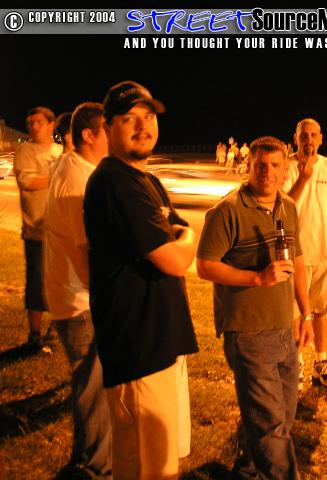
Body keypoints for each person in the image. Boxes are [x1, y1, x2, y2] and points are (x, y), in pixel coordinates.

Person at [83, 80, 199, 478]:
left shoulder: (145, 181)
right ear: (107, 126)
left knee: (138, 464)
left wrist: (182, 236)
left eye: (148, 116)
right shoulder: (115, 181)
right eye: (129, 118)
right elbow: (175, 259)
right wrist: (187, 237)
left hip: (152, 345)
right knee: (154, 467)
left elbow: (178, 234)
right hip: (138, 349)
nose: (142, 126)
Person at [196, 136, 314, 480]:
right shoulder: (227, 211)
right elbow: (205, 266)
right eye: (260, 165)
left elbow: (299, 262)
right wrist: (256, 278)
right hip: (247, 332)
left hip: (284, 329)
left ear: (286, 169)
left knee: (282, 416)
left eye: (275, 165)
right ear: (248, 166)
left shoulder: (288, 207)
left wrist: (305, 314)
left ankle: (248, 471)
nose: (267, 172)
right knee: (270, 426)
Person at [44, 102, 112, 479]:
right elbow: (84, 250)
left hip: (73, 294)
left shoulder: (76, 167)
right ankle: (96, 468)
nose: (113, 137)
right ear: (89, 135)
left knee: (90, 385)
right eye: (107, 130)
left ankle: (85, 460)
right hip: (79, 299)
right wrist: (103, 299)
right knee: (94, 388)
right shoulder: (77, 179)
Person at [282, 118, 327, 390]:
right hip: (295, 256)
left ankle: (321, 362)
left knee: (321, 311)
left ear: (321, 138)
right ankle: (296, 363)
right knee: (295, 313)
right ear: (296, 138)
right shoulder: (286, 167)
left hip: (325, 255)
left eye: (314, 135)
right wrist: (303, 177)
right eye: (304, 136)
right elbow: (282, 206)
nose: (309, 140)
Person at [13, 106, 63, 351]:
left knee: (62, 282)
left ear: (51, 124)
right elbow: (28, 182)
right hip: (37, 230)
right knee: (37, 283)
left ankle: (56, 328)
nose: (33, 127)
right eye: (30, 123)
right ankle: (34, 336)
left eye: (38, 122)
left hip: (61, 230)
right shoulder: (25, 150)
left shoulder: (61, 151)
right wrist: (58, 177)